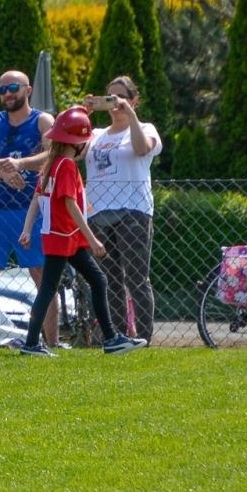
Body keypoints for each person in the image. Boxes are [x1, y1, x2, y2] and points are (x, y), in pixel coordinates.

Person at [16, 106, 146, 357]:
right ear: (76, 143)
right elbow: (68, 203)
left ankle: (111, 339)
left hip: (66, 238)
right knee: (48, 289)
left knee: (98, 280)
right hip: (64, 238)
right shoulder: (65, 165)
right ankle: (31, 343)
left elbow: (38, 199)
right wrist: (92, 238)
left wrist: (27, 230)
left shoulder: (53, 164)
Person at [0, 70, 56, 345]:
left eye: (13, 88)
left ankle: (51, 343)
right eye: (2, 89)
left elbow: (54, 154)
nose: (7, 94)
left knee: (42, 277)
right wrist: (2, 174)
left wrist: (21, 164)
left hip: (33, 210)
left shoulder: (43, 120)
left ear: (28, 90)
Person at [83, 76, 162, 343]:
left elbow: (142, 149)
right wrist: (84, 113)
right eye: (111, 98)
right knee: (109, 280)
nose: (115, 104)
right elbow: (64, 149)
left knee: (136, 278)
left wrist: (130, 115)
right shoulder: (95, 135)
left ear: (134, 100)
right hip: (98, 213)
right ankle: (116, 337)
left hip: (133, 211)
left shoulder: (145, 128)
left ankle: (144, 338)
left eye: (122, 98)